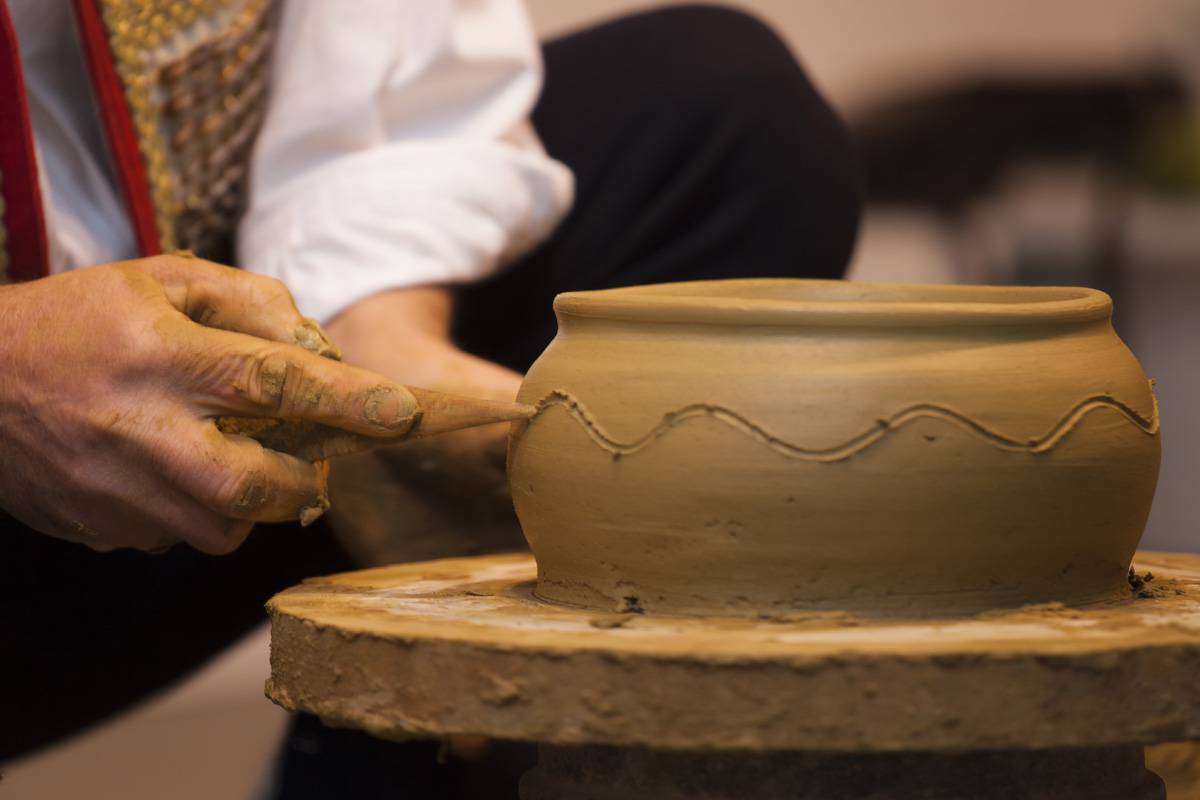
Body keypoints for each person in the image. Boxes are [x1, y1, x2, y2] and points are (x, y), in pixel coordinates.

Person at [0, 0, 861, 790]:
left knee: (717, 112)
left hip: (179, 369)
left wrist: (380, 334)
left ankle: (399, 766)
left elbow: (382, 54)